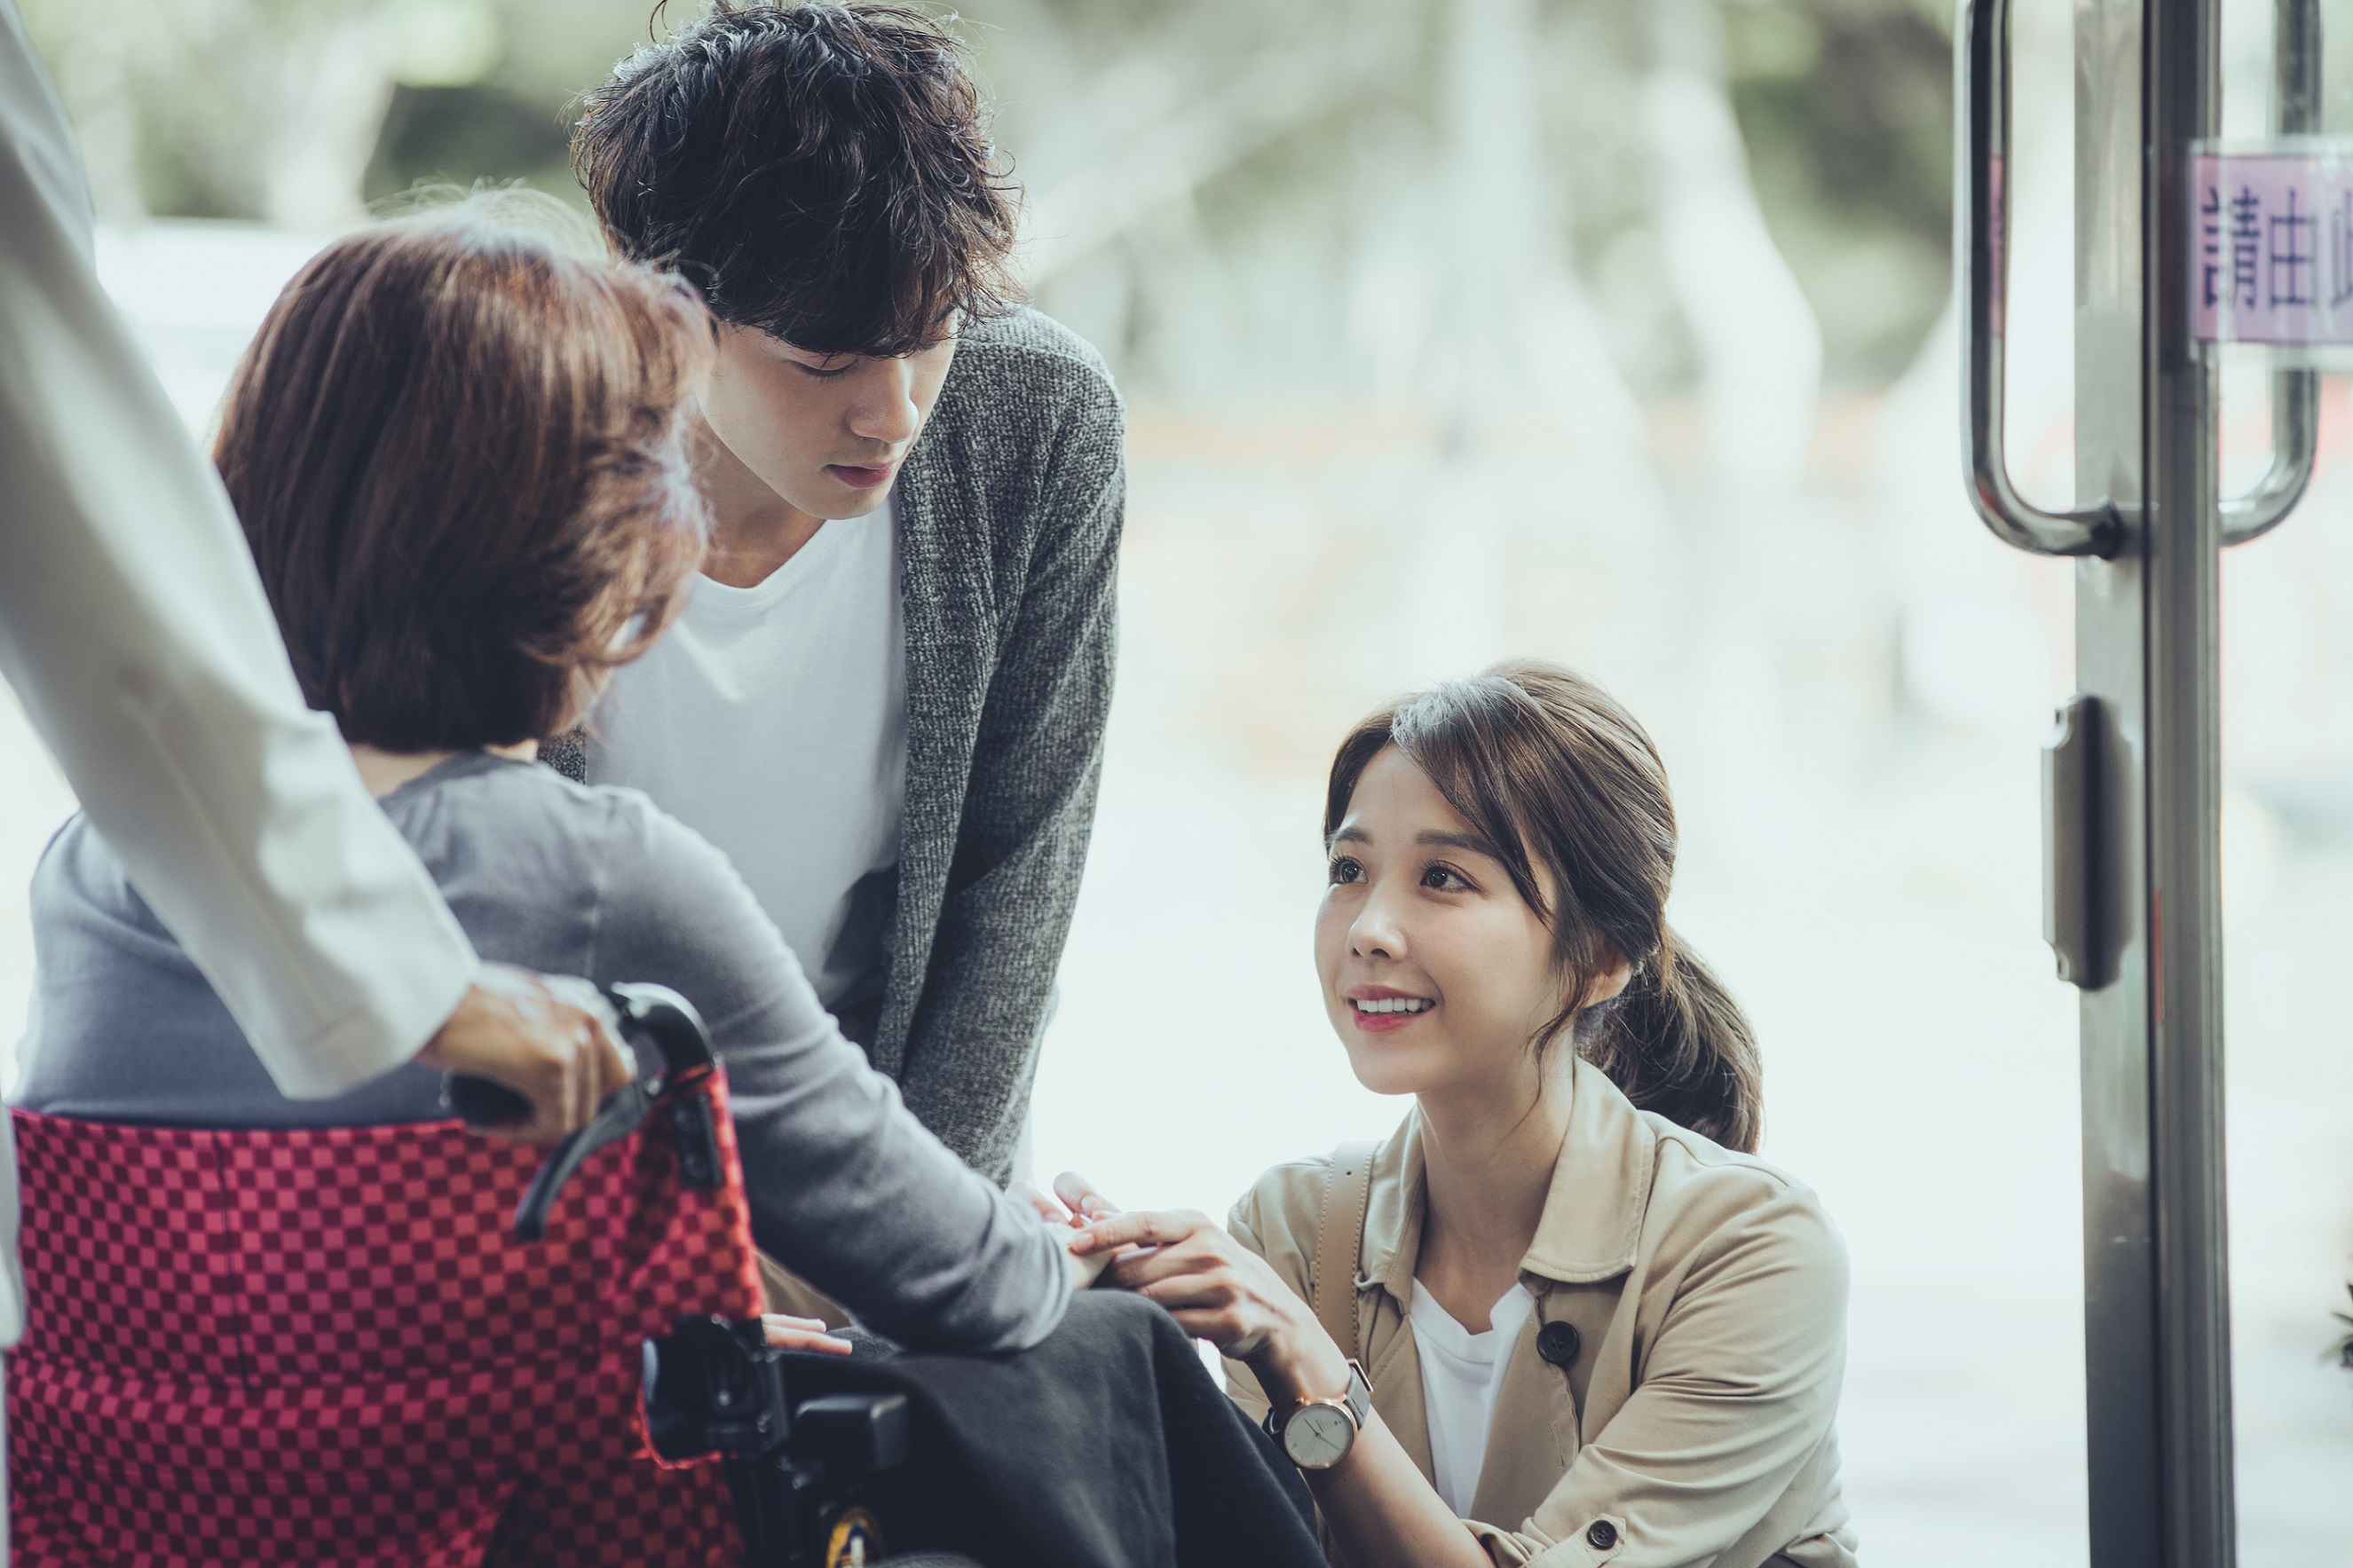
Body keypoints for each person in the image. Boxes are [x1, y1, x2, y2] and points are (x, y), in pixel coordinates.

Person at [11, 197, 1074, 1356]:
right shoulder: (604, 880)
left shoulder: (96, 867)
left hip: (124, 1473)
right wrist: (1080, 1251)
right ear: (600, 554)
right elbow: (978, 1284)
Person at [1058, 664, 1859, 1566]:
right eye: (1348, 870)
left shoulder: (1754, 1250)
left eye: (1442, 876)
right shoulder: (1292, 1233)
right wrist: (1094, 1325)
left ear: (1601, 955)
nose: (1368, 928)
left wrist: (1298, 1352)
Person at [557, 0, 1125, 1184]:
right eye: (823, 360)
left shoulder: (1035, 423)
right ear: (665, 304)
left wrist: (918, 1233)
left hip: (890, 1144)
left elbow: (1012, 890)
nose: (892, 412)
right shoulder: (527, 441)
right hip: (561, 1160)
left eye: (930, 334)